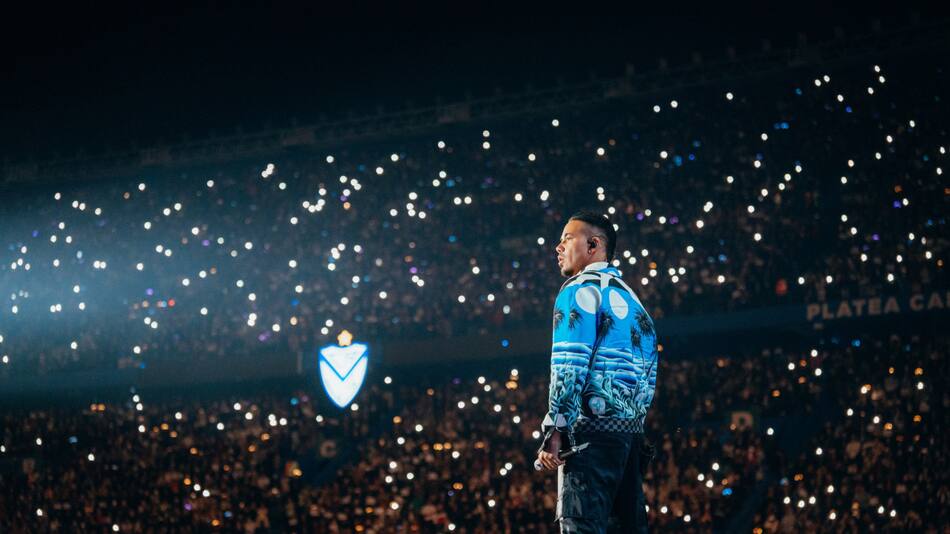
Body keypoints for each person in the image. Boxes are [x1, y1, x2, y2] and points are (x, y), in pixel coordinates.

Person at [536, 210, 658, 533]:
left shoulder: (577, 290)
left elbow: (569, 363)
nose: (557, 247)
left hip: (589, 438)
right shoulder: (634, 302)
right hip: (630, 441)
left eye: (566, 238)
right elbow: (648, 376)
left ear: (593, 245)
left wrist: (556, 429)